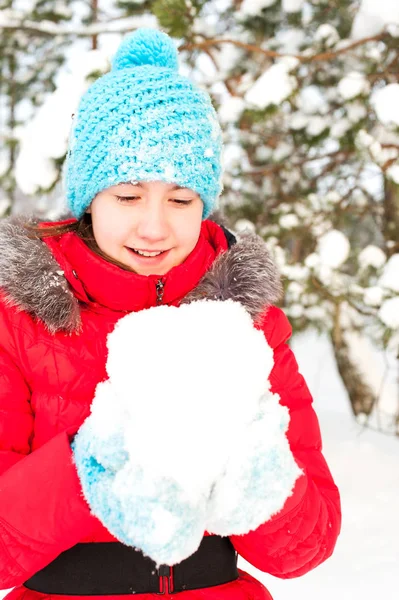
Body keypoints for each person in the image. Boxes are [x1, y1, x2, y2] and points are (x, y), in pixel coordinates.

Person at [0, 28, 341, 600]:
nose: (155, 227)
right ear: (89, 199)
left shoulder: (247, 322)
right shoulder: (18, 319)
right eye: (128, 196)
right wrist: (86, 467)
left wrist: (256, 469)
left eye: (181, 199)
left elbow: (307, 548)